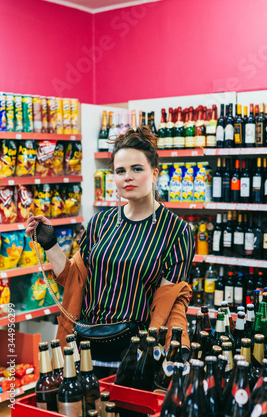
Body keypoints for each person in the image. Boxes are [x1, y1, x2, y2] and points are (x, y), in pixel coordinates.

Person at [26, 126, 195, 379]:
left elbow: (171, 302)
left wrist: (175, 349)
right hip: (84, 349)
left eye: (137, 169)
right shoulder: (100, 223)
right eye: (120, 171)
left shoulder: (176, 231)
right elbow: (73, 280)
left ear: (154, 174)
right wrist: (49, 244)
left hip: (134, 356)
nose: (128, 177)